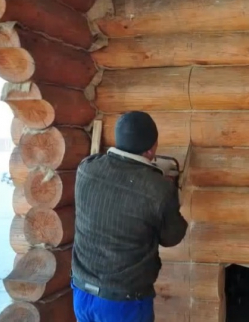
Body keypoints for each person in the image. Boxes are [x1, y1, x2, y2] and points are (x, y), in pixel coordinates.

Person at [70, 111, 188, 322]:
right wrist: (171, 193)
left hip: (82, 293)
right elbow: (172, 237)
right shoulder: (158, 190)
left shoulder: (86, 169)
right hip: (123, 302)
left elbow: (119, 183)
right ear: (152, 149)